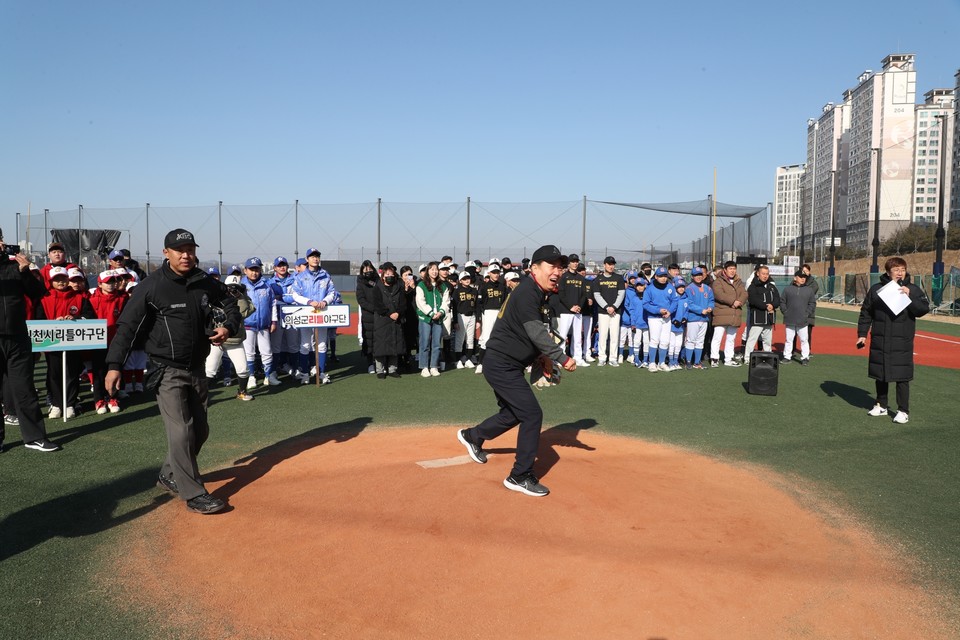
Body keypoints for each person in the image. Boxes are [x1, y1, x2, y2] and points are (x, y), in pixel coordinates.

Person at [105, 228, 242, 514]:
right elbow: (127, 326)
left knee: (200, 431)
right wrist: (114, 365)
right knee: (181, 430)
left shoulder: (204, 281)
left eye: (190, 249)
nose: (186, 255)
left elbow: (230, 302)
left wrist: (228, 326)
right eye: (180, 250)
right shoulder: (152, 286)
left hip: (197, 368)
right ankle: (194, 494)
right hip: (165, 369)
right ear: (166, 253)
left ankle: (169, 473)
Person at [456, 244, 576, 497]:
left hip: (506, 363)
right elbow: (535, 332)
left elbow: (528, 335)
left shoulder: (537, 292)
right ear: (534, 268)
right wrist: (561, 358)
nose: (558, 271)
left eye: (560, 266)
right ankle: (519, 476)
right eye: (552, 265)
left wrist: (540, 356)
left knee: (514, 412)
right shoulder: (527, 293)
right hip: (501, 364)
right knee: (532, 414)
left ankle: (473, 436)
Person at [0, 230, 61, 452]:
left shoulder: (15, 265)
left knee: (25, 388)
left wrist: (26, 271)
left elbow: (39, 292)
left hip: (18, 337)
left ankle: (34, 437)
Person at [856, 257, 930, 424]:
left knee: (902, 376)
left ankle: (903, 410)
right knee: (880, 373)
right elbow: (866, 312)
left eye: (902, 269)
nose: (899, 273)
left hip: (902, 340)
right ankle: (881, 405)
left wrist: (909, 296)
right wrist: (862, 334)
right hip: (880, 339)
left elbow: (923, 309)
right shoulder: (876, 290)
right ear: (888, 272)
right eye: (896, 270)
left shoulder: (912, 289)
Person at [36, 267, 95, 419]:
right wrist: (52, 323)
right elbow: (38, 320)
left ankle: (70, 403)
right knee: (54, 374)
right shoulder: (44, 299)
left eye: (63, 278)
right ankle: (56, 404)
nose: (60, 282)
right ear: (51, 281)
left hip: (73, 343)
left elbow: (90, 316)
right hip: (51, 344)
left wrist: (76, 319)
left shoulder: (80, 298)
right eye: (57, 279)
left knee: (71, 373)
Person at [289, 248, 338, 385]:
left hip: (322, 312)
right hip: (306, 312)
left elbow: (332, 292)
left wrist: (325, 301)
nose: (315, 259)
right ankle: (305, 373)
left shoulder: (325, 275)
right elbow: (295, 295)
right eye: (312, 256)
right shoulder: (300, 276)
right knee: (305, 344)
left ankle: (320, 372)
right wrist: (309, 302)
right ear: (307, 259)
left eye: (317, 256)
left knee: (322, 344)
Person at [204, 274, 256, 400]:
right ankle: (202, 396)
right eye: (229, 288)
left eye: (235, 288)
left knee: (243, 369)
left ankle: (242, 391)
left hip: (234, 339)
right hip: (216, 339)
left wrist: (241, 296)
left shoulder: (242, 300)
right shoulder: (215, 297)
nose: (232, 291)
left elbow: (245, 312)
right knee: (210, 369)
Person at [88, 269, 130, 414]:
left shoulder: (122, 299)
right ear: (99, 284)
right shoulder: (92, 300)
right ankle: (99, 399)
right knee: (99, 372)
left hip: (115, 342)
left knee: (114, 371)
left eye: (113, 282)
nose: (111, 285)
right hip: (97, 341)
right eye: (107, 283)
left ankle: (113, 398)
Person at [241, 257, 279, 390]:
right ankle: (251, 377)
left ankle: (269, 376)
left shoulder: (266, 284)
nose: (254, 272)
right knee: (249, 352)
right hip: (247, 324)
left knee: (267, 351)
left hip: (263, 324)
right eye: (251, 269)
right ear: (245, 270)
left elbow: (272, 303)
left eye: (256, 269)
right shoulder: (241, 285)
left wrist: (274, 321)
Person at [371, 262, 406, 378]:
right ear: (383, 275)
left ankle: (392, 369)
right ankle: (380, 370)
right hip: (382, 320)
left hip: (396, 320)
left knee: (395, 344)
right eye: (387, 274)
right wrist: (389, 313)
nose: (389, 276)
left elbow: (403, 304)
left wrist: (398, 313)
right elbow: (377, 304)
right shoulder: (377, 287)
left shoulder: (399, 287)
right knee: (381, 345)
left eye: (391, 273)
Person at [710, 261, 747, 367]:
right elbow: (719, 295)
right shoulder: (718, 281)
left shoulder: (738, 281)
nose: (732, 271)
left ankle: (728, 359)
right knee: (717, 337)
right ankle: (714, 358)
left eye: (734, 269)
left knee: (731, 338)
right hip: (722, 313)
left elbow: (744, 293)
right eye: (730, 268)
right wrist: (733, 302)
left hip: (734, 314)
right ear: (725, 270)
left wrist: (739, 302)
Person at [415, 262, 450, 378]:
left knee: (436, 343)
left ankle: (434, 366)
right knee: (424, 343)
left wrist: (441, 312)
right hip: (425, 317)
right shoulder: (421, 285)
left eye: (436, 269)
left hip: (438, 318)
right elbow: (420, 302)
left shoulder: (443, 286)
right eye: (431, 269)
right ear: (427, 271)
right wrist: (430, 312)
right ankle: (424, 367)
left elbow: (446, 302)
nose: (434, 272)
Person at [642, 266, 678, 372]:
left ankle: (661, 363)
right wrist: (658, 310)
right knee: (654, 340)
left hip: (667, 317)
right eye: (661, 276)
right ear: (656, 276)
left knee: (665, 341)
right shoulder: (649, 288)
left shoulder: (670, 287)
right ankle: (652, 363)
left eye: (665, 276)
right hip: (654, 318)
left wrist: (670, 311)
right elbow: (645, 304)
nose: (663, 278)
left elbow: (675, 301)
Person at [556, 253, 589, 367]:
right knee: (563, 335)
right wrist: (571, 306)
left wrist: (579, 306)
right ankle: (560, 358)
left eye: (576, 261)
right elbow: (561, 294)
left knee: (578, 336)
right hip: (566, 311)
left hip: (578, 311)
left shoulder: (581, 278)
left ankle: (578, 358)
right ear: (569, 263)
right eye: (573, 261)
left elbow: (584, 294)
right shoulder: (564, 277)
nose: (575, 263)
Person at [593, 256, 625, 366]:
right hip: (603, 311)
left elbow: (621, 294)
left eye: (612, 264)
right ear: (604, 265)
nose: (611, 266)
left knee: (614, 335)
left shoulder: (619, 278)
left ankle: (613, 358)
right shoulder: (598, 279)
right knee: (603, 335)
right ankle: (602, 358)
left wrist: (614, 307)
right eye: (609, 264)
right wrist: (607, 307)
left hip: (616, 312)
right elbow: (597, 295)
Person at [475, 261, 506, 374]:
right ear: (489, 273)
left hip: (499, 313)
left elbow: (504, 302)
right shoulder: (484, 287)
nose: (496, 274)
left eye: (497, 272)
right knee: (486, 338)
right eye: (493, 272)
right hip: (488, 313)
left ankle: (497, 362)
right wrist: (480, 317)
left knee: (500, 338)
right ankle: (480, 363)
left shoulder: (502, 287)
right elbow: (480, 303)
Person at [780, 269, 816, 365]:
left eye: (804, 277)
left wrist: (807, 313)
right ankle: (787, 356)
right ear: (795, 278)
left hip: (803, 320)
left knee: (804, 340)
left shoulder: (809, 290)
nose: (803, 279)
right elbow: (782, 301)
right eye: (801, 277)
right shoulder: (787, 289)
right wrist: (785, 312)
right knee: (789, 339)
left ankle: (805, 357)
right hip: (790, 319)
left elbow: (812, 303)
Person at [744, 265, 780, 360]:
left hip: (769, 318)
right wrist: (766, 306)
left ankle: (768, 357)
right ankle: (747, 358)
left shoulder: (771, 286)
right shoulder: (753, 286)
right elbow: (753, 300)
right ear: (758, 274)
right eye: (763, 274)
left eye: (767, 274)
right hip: (757, 317)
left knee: (767, 340)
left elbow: (777, 298)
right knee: (752, 339)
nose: (765, 276)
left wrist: (773, 305)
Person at [682, 267, 714, 369]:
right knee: (691, 340)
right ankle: (688, 361)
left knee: (700, 341)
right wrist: (701, 310)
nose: (698, 277)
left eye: (700, 275)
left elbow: (711, 300)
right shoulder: (689, 288)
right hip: (693, 318)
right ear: (692, 277)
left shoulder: (708, 288)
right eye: (696, 275)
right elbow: (689, 304)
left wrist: (710, 307)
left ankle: (697, 362)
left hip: (704, 319)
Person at [355, 260, 379, 374]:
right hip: (367, 316)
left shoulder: (378, 281)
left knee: (379, 339)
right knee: (368, 340)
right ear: (362, 272)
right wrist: (373, 308)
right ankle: (370, 363)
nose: (368, 272)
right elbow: (361, 300)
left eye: (370, 269)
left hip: (379, 315)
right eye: (365, 270)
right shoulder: (360, 284)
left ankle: (379, 362)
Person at [452, 270, 478, 368]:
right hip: (461, 316)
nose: (467, 280)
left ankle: (467, 359)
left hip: (472, 316)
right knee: (460, 339)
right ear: (460, 281)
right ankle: (457, 360)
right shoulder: (457, 291)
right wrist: (455, 321)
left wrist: (478, 319)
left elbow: (476, 306)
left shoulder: (474, 291)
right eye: (464, 279)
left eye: (468, 278)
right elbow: (454, 307)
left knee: (470, 339)